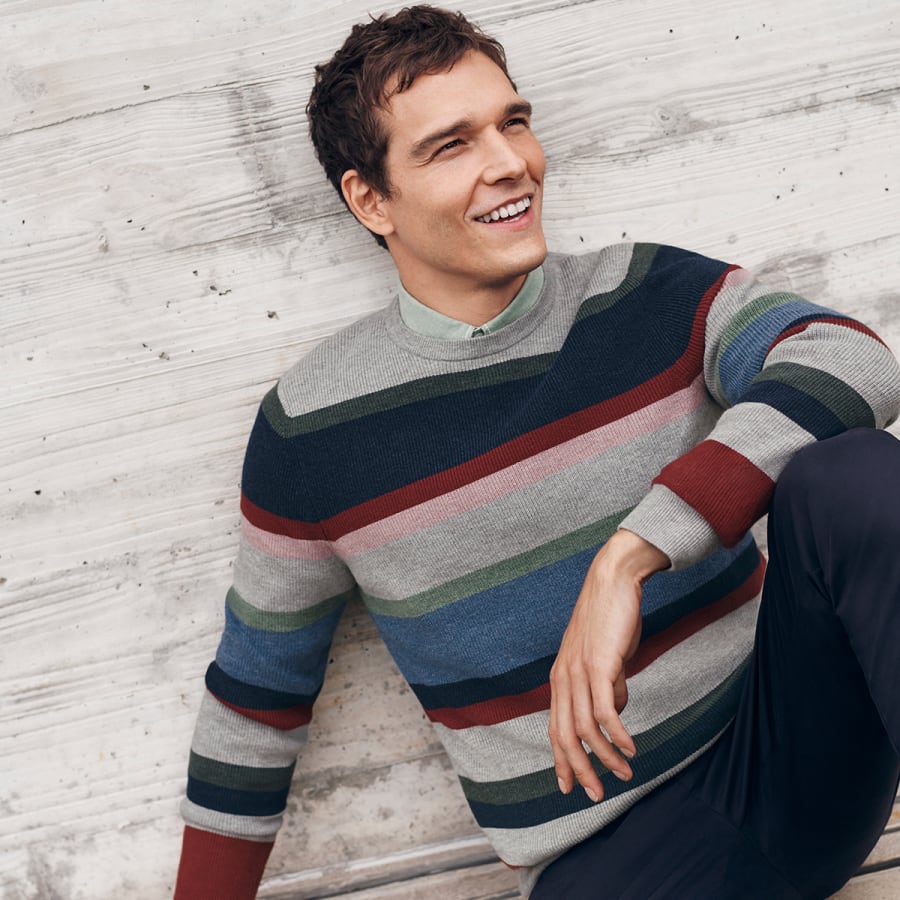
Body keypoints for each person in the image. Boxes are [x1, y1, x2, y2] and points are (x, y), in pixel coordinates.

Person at [174, 7, 900, 898]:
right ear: (371, 200)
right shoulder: (309, 434)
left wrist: (632, 555)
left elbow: (850, 357)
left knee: (852, 477)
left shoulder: (648, 293)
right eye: (451, 146)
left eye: (512, 122)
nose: (510, 161)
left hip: (795, 742)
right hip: (617, 858)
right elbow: (256, 704)